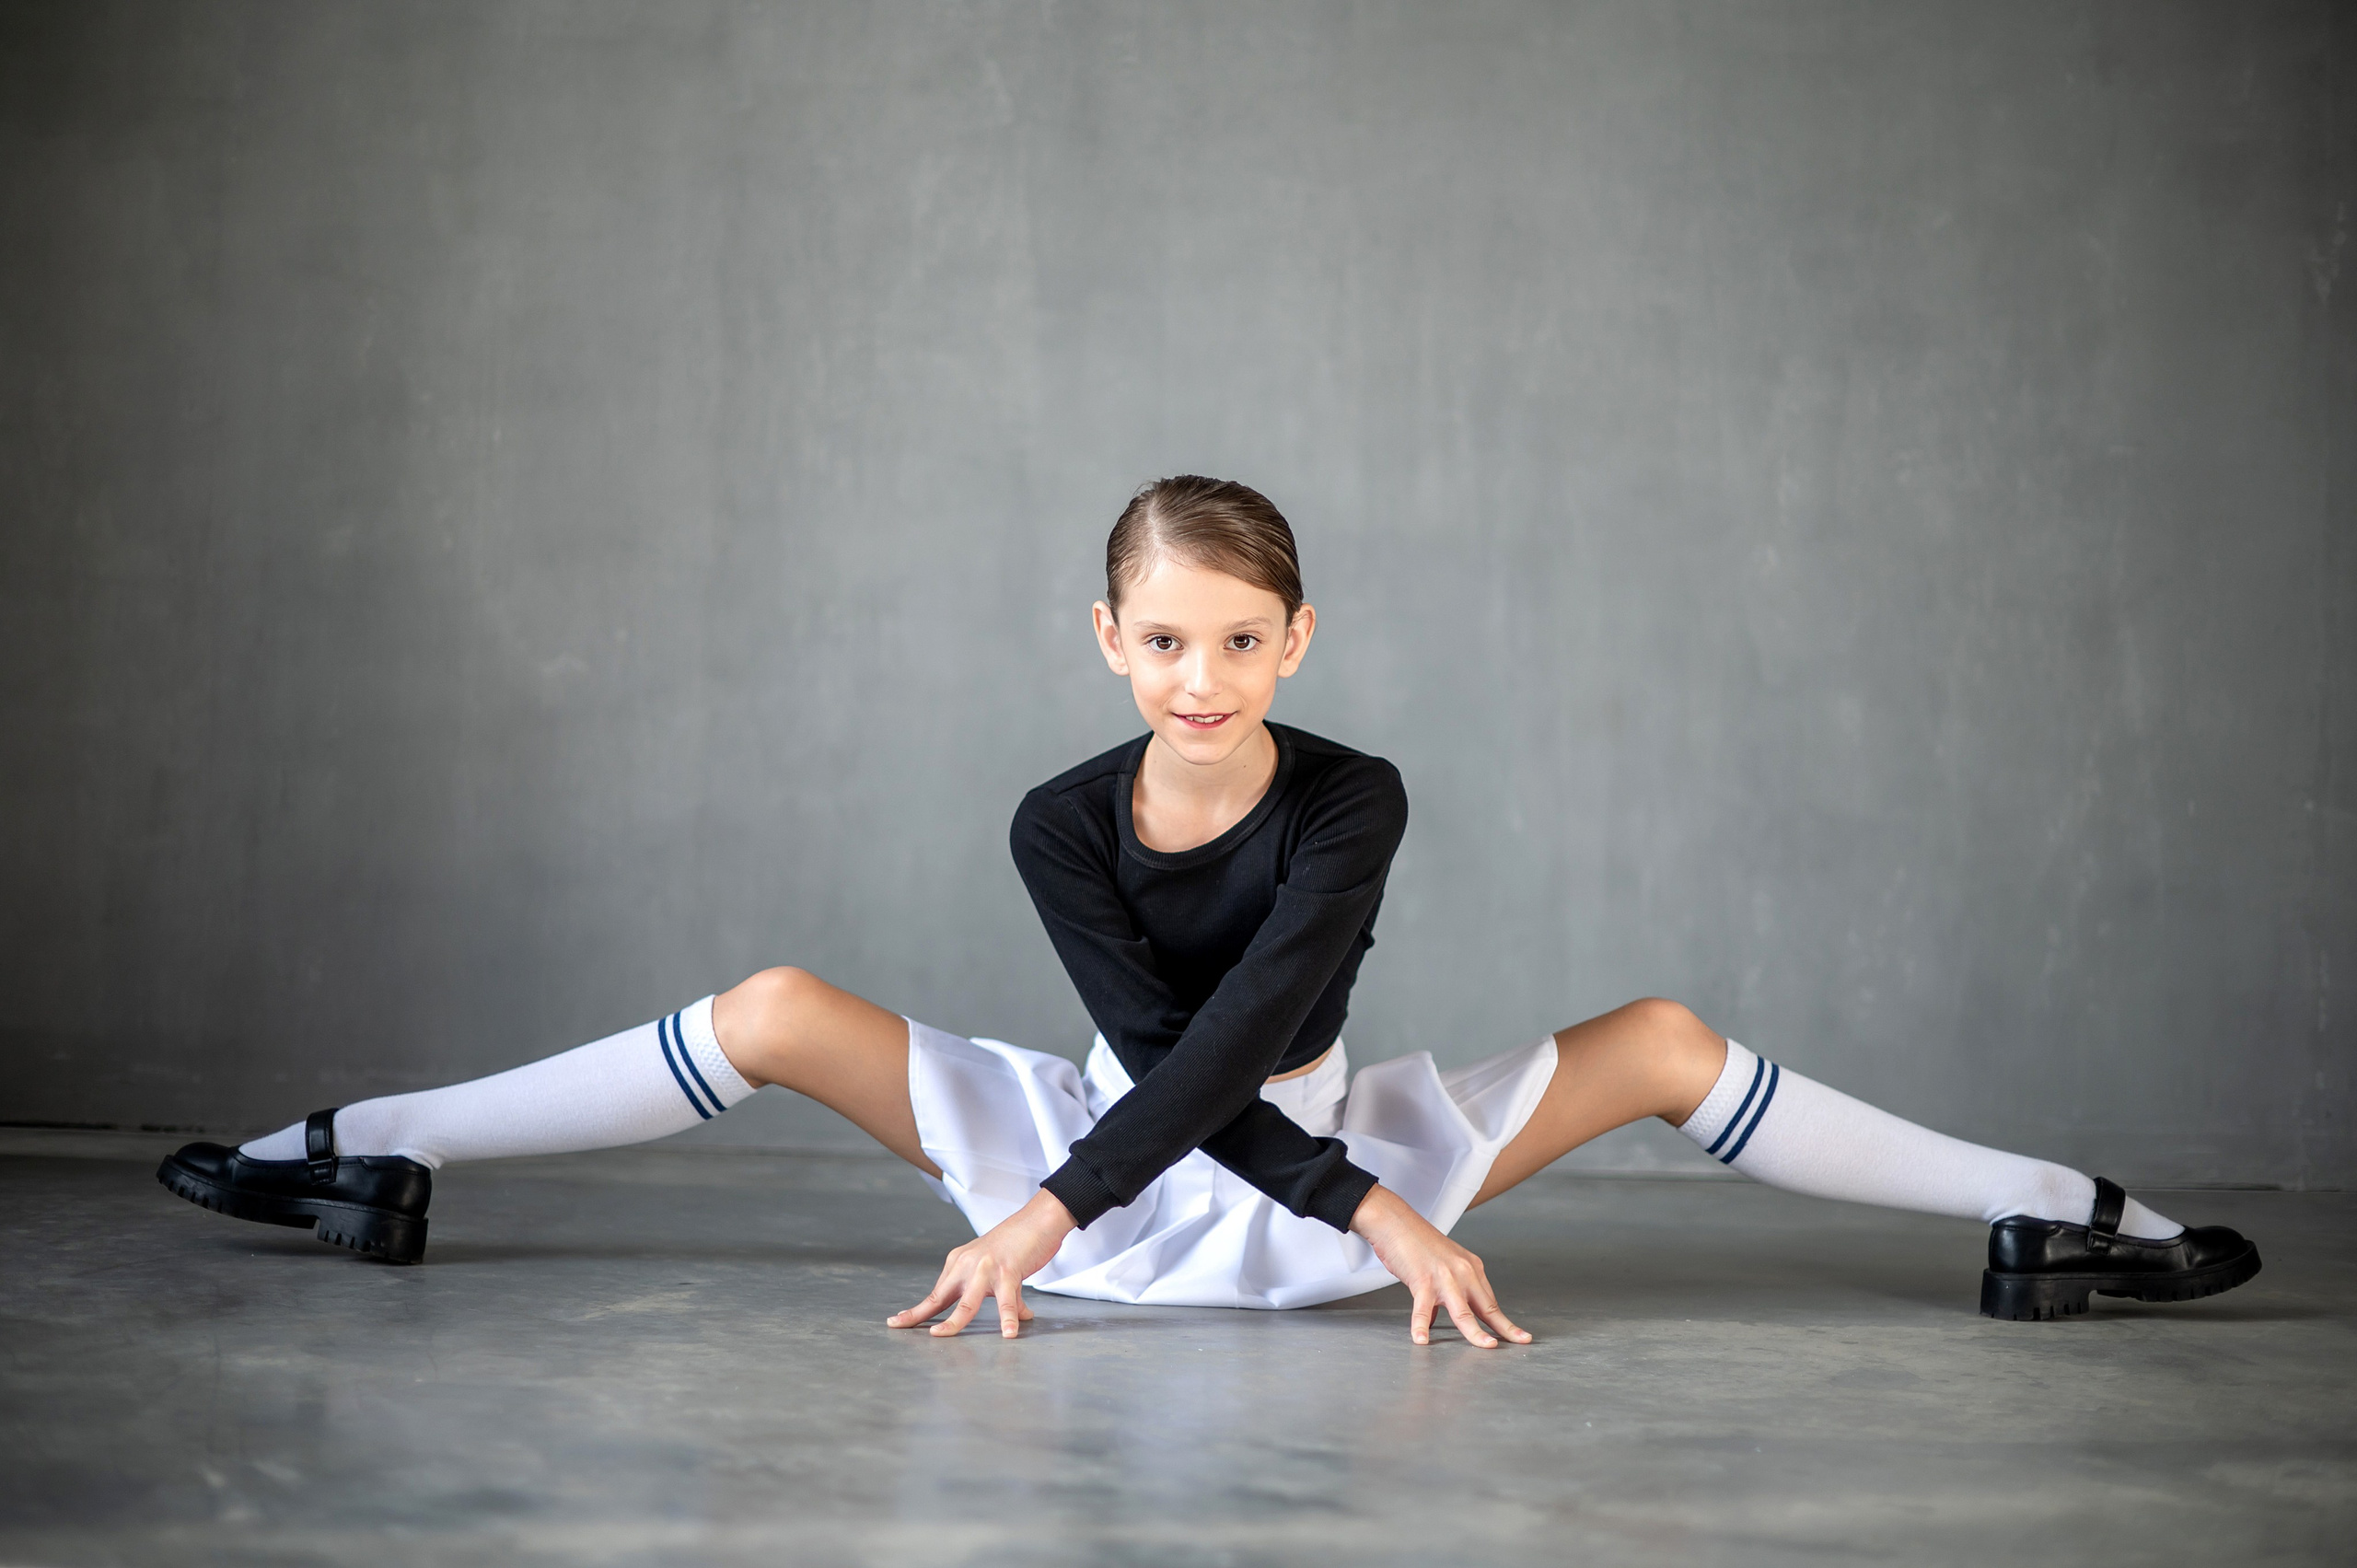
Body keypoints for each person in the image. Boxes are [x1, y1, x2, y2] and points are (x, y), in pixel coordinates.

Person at [157, 477, 2261, 1342]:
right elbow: (1163, 1066)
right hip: (1124, 1154)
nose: (1197, 677)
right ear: (1107, 639)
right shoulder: (1056, 823)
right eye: (1161, 639)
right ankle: (350, 1153)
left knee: (1659, 1044)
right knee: (780, 1003)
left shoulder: (1351, 796)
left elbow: (1258, 1034)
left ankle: (2067, 1212)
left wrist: (1364, 1199)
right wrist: (1079, 1206)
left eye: (1236, 640)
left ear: (1290, 640)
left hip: (1281, 1155)